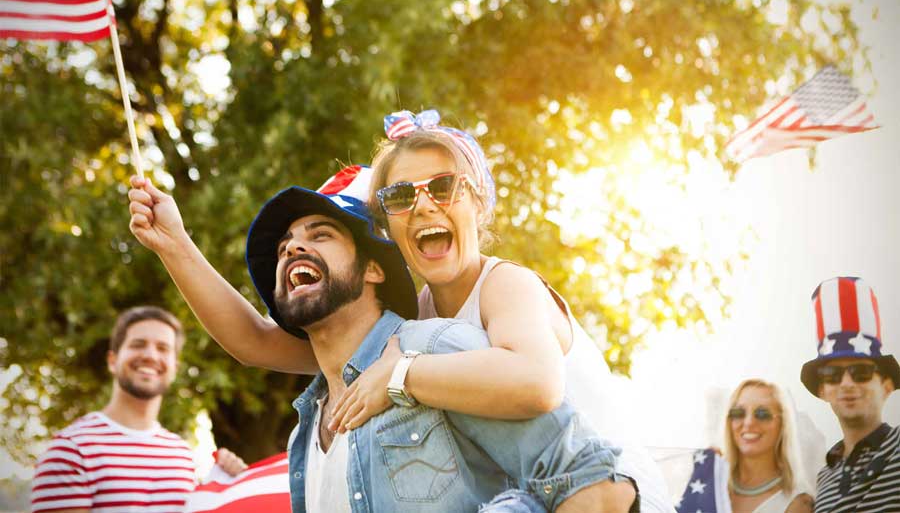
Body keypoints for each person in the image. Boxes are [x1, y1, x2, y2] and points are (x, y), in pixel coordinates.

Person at [129, 165, 629, 511]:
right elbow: (250, 340)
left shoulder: (434, 348)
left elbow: (591, 480)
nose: (293, 246)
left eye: (320, 233)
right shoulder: (306, 433)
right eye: (284, 246)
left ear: (373, 269)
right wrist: (172, 243)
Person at [333, 109, 671, 512]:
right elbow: (275, 344)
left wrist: (401, 373)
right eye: (401, 197)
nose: (423, 206)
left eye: (443, 187)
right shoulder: (414, 321)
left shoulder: (505, 285)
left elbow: (538, 384)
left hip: (611, 492)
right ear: (387, 225)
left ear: (477, 204)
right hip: (528, 498)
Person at [30, 306, 247, 513]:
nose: (151, 356)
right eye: (138, 344)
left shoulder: (182, 455)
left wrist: (233, 482)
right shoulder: (71, 449)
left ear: (175, 368)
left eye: (163, 348)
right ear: (112, 361)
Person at [799, 276, 900, 513]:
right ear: (823, 390)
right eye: (833, 374)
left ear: (886, 386)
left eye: (861, 372)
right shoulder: (823, 478)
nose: (846, 383)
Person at [722, 379, 813, 513]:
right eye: (738, 413)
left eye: (762, 414)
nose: (748, 423)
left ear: (782, 425)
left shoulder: (798, 502)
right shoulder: (710, 490)